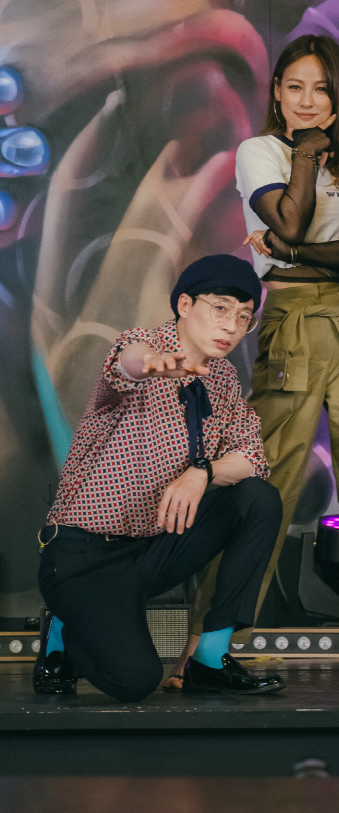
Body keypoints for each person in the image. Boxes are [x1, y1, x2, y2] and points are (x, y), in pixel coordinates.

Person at [165, 34, 339, 691]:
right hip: (291, 321)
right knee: (259, 488)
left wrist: (294, 250)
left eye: (321, 89)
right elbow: (290, 224)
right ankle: (205, 641)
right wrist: (303, 157)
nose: (307, 100)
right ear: (275, 91)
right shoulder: (260, 152)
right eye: (294, 87)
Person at [34, 254, 285, 701]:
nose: (231, 326)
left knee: (258, 498)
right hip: (85, 555)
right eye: (221, 308)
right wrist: (151, 364)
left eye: (244, 317)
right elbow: (126, 364)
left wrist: (202, 473)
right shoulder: (144, 345)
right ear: (185, 304)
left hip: (151, 551)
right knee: (135, 681)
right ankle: (64, 627)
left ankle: (209, 658)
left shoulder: (223, 378)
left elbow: (252, 458)